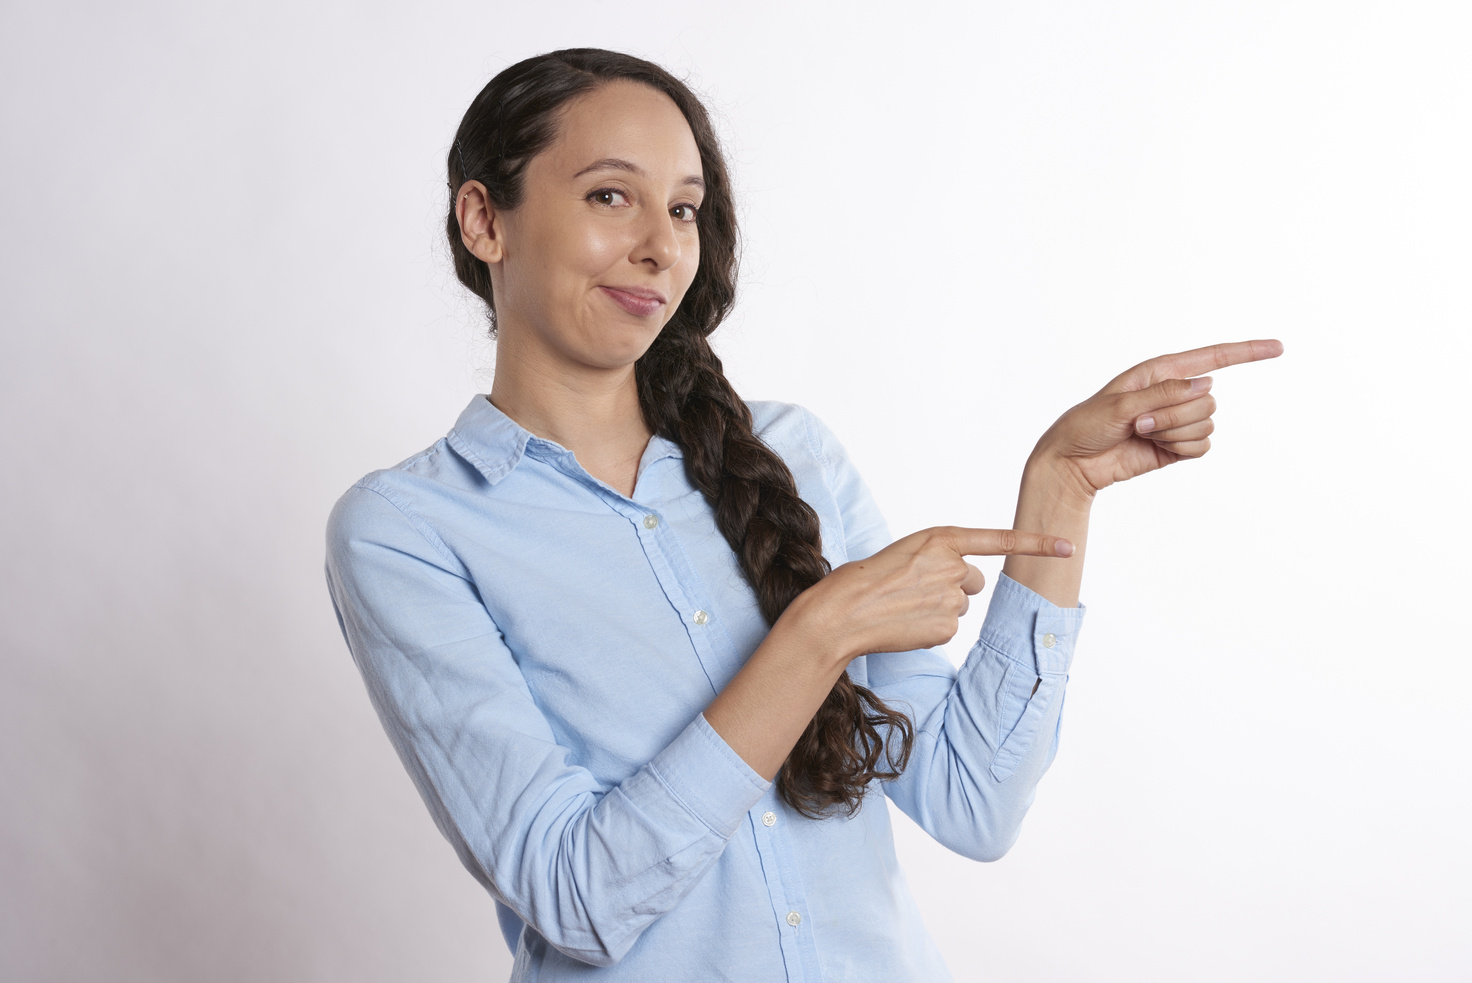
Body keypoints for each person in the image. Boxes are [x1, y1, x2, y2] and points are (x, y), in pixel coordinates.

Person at [324, 47, 1282, 981]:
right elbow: (580, 897)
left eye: (686, 208)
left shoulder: (793, 455)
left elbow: (973, 800)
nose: (662, 246)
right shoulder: (408, 530)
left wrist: (1061, 487)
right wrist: (817, 635)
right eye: (610, 195)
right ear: (484, 219)